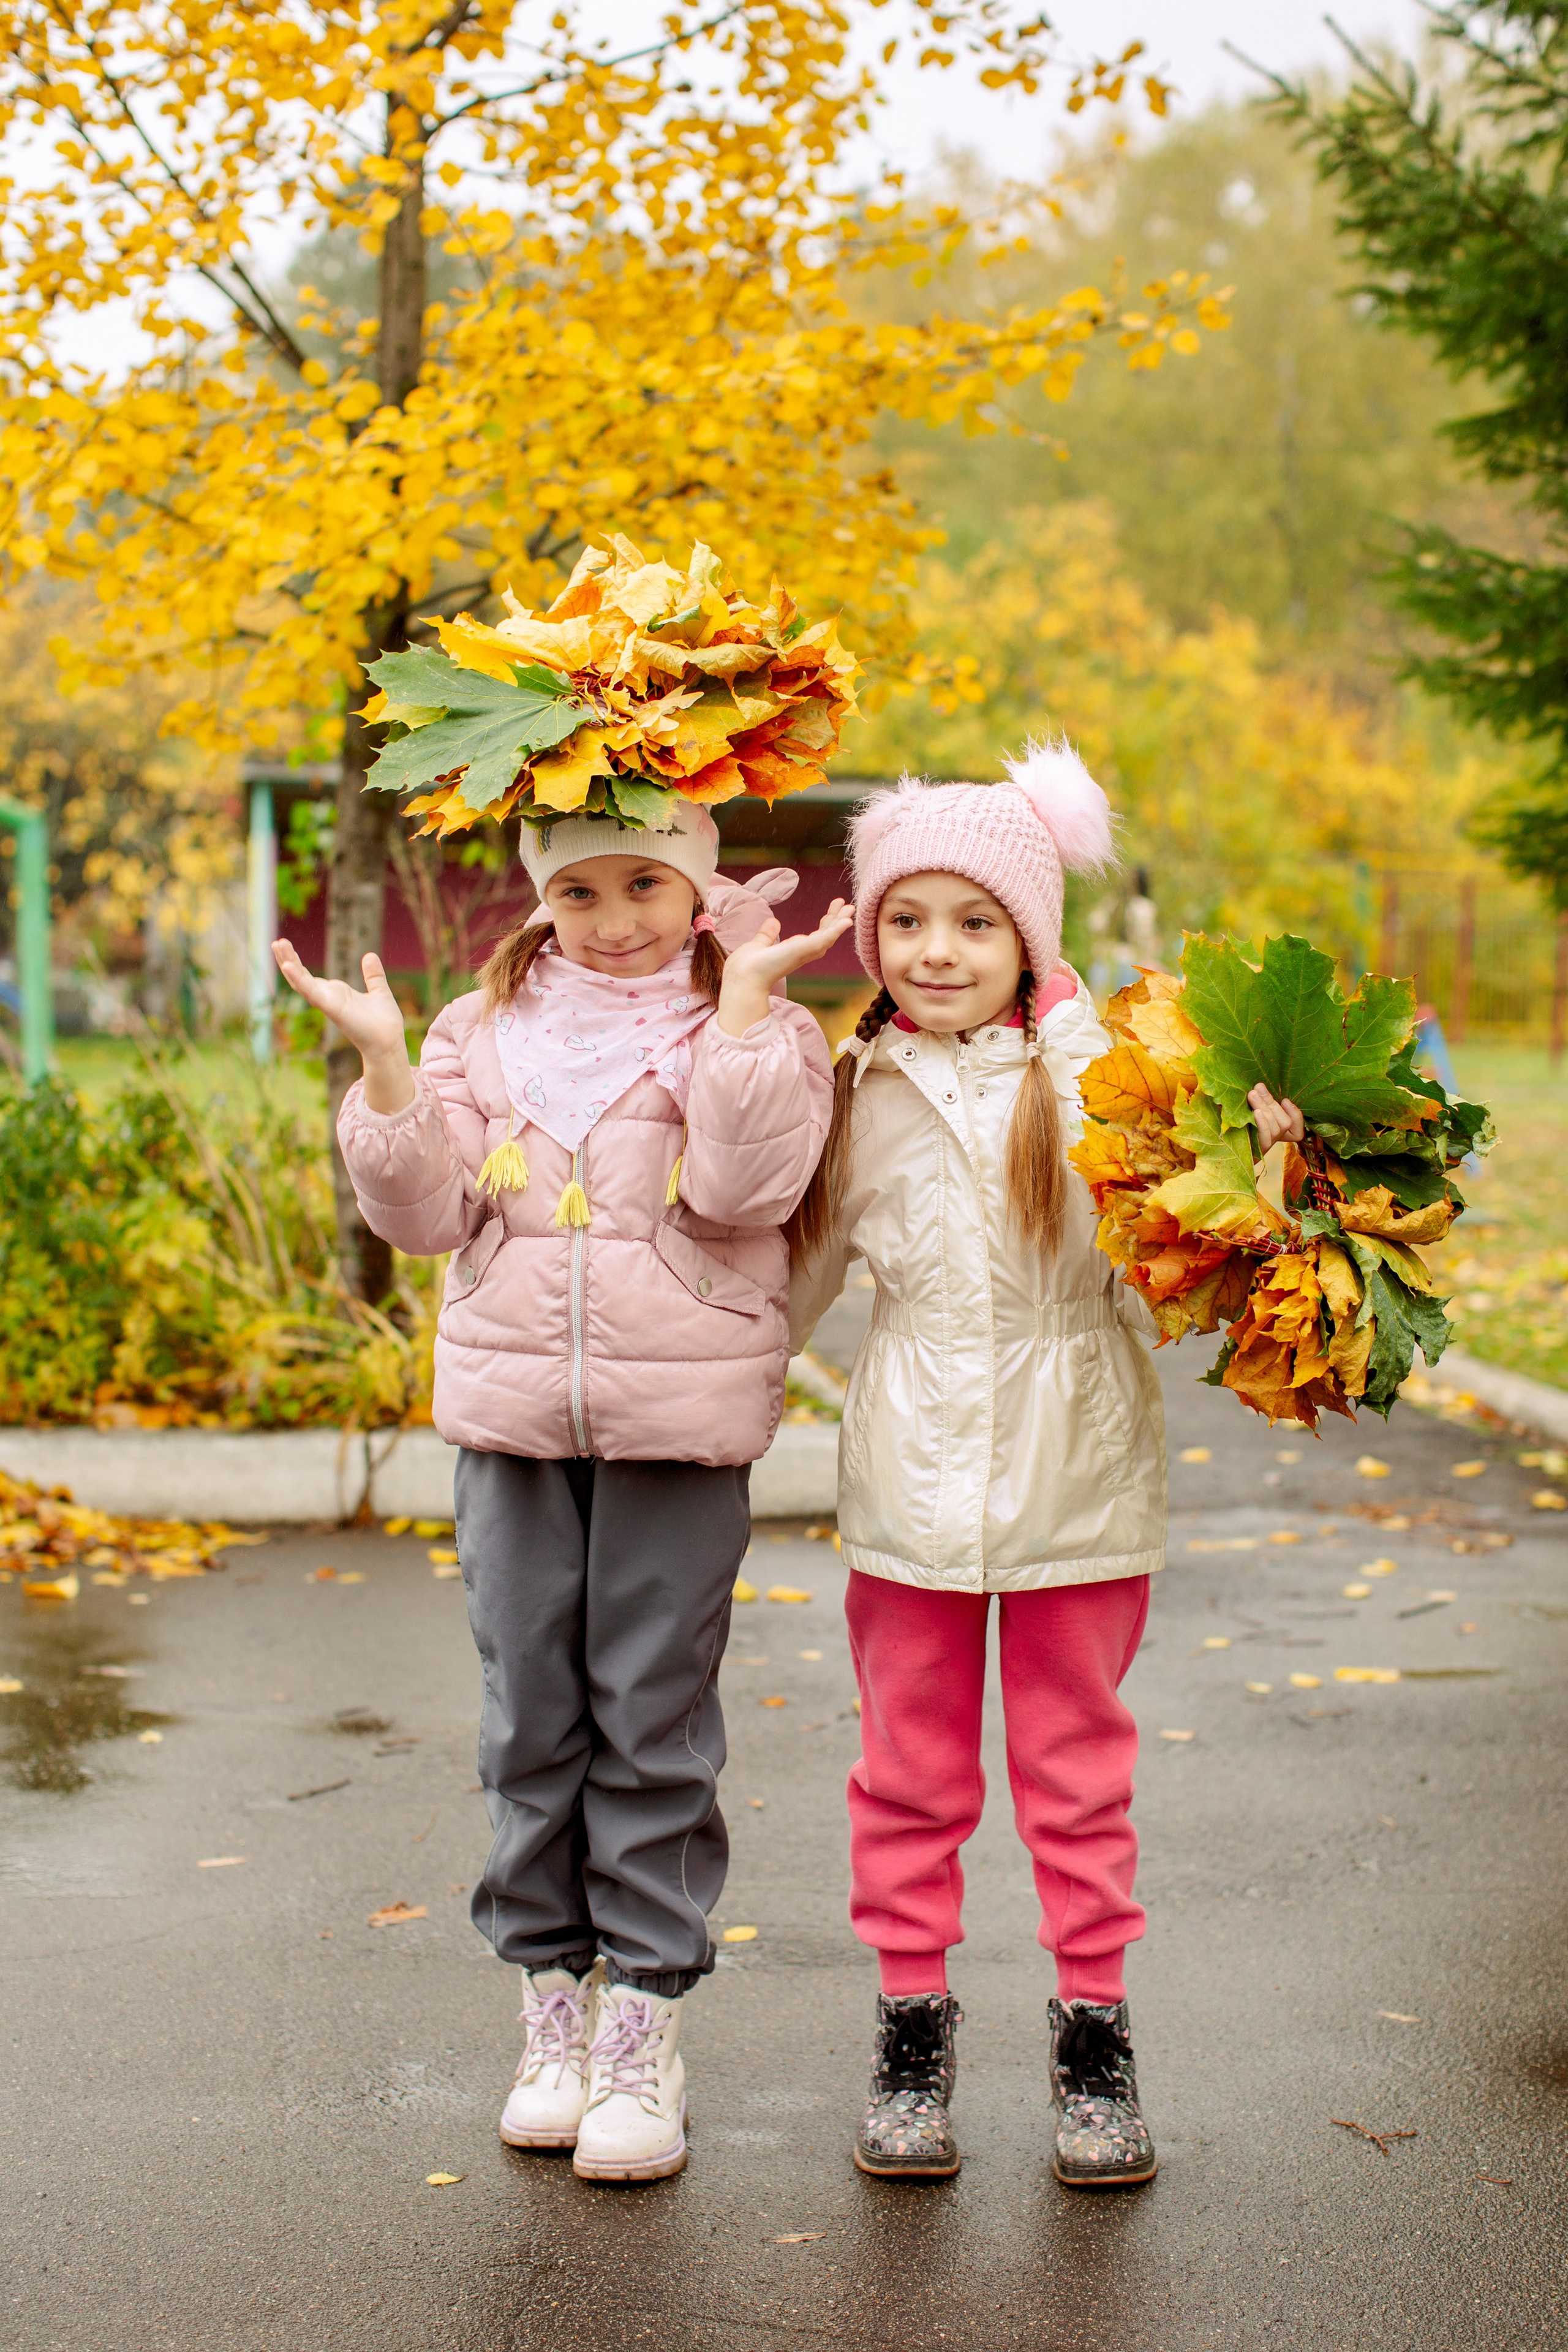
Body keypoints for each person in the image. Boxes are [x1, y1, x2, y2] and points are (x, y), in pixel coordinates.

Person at [273, 797, 844, 2184]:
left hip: (678, 1421)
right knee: (529, 1713)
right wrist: (391, 1075)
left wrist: (750, 1027)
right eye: (577, 891)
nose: (615, 918)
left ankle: (644, 2019)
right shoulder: (484, 1032)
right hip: (512, 1424)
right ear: (539, 898)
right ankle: (550, 2008)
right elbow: (424, 1221)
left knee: (649, 1717)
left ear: (696, 881)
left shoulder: (753, 1014)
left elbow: (748, 1195)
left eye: (646, 882)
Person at [788, 748, 1300, 2190]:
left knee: (1074, 1776)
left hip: (1081, 1475)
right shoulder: (853, 1084)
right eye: (904, 921)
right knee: (906, 1772)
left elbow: (1173, 1282)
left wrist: (1259, 1192)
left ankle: (1093, 2034)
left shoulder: (1107, 1085)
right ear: (872, 933)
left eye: (971, 921)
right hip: (907, 1488)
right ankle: (908, 2028)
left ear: (1028, 935)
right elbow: (793, 1282)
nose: (933, 951)